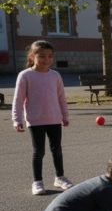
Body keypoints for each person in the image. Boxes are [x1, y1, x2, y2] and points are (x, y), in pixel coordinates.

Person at [12, 40, 74, 195]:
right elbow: (18, 99)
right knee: (38, 151)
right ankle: (37, 182)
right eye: (42, 56)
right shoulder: (25, 75)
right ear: (32, 56)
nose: (46, 59)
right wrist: (17, 119)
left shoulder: (55, 75)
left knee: (57, 150)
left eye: (50, 56)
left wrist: (65, 115)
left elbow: (61, 98)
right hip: (35, 121)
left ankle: (60, 177)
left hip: (54, 119)